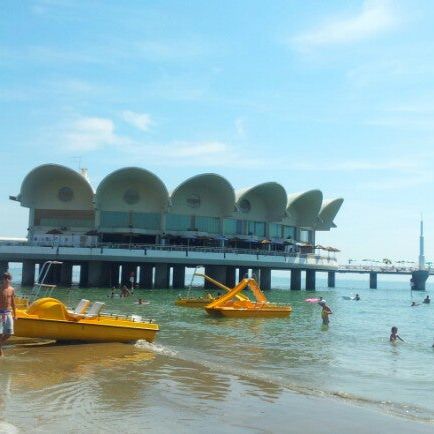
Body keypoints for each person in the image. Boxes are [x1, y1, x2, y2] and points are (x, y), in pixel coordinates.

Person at [0, 272, 16, 357]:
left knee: (10, 333)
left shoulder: (12, 289)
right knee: (1, 333)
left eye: (8, 278)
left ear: (10, 280)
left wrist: (15, 314)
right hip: (0, 313)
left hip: (8, 313)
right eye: (5, 278)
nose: (6, 280)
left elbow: (13, 302)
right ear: (2, 279)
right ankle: (0, 354)